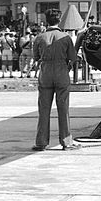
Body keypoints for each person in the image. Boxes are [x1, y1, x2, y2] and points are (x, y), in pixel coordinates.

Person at [32, 9, 80, 151]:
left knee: (44, 109)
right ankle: (66, 141)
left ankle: (41, 142)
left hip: (45, 73)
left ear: (47, 20)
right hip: (61, 73)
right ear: (59, 20)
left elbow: (36, 57)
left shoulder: (39, 37)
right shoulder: (65, 37)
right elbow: (73, 57)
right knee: (63, 108)